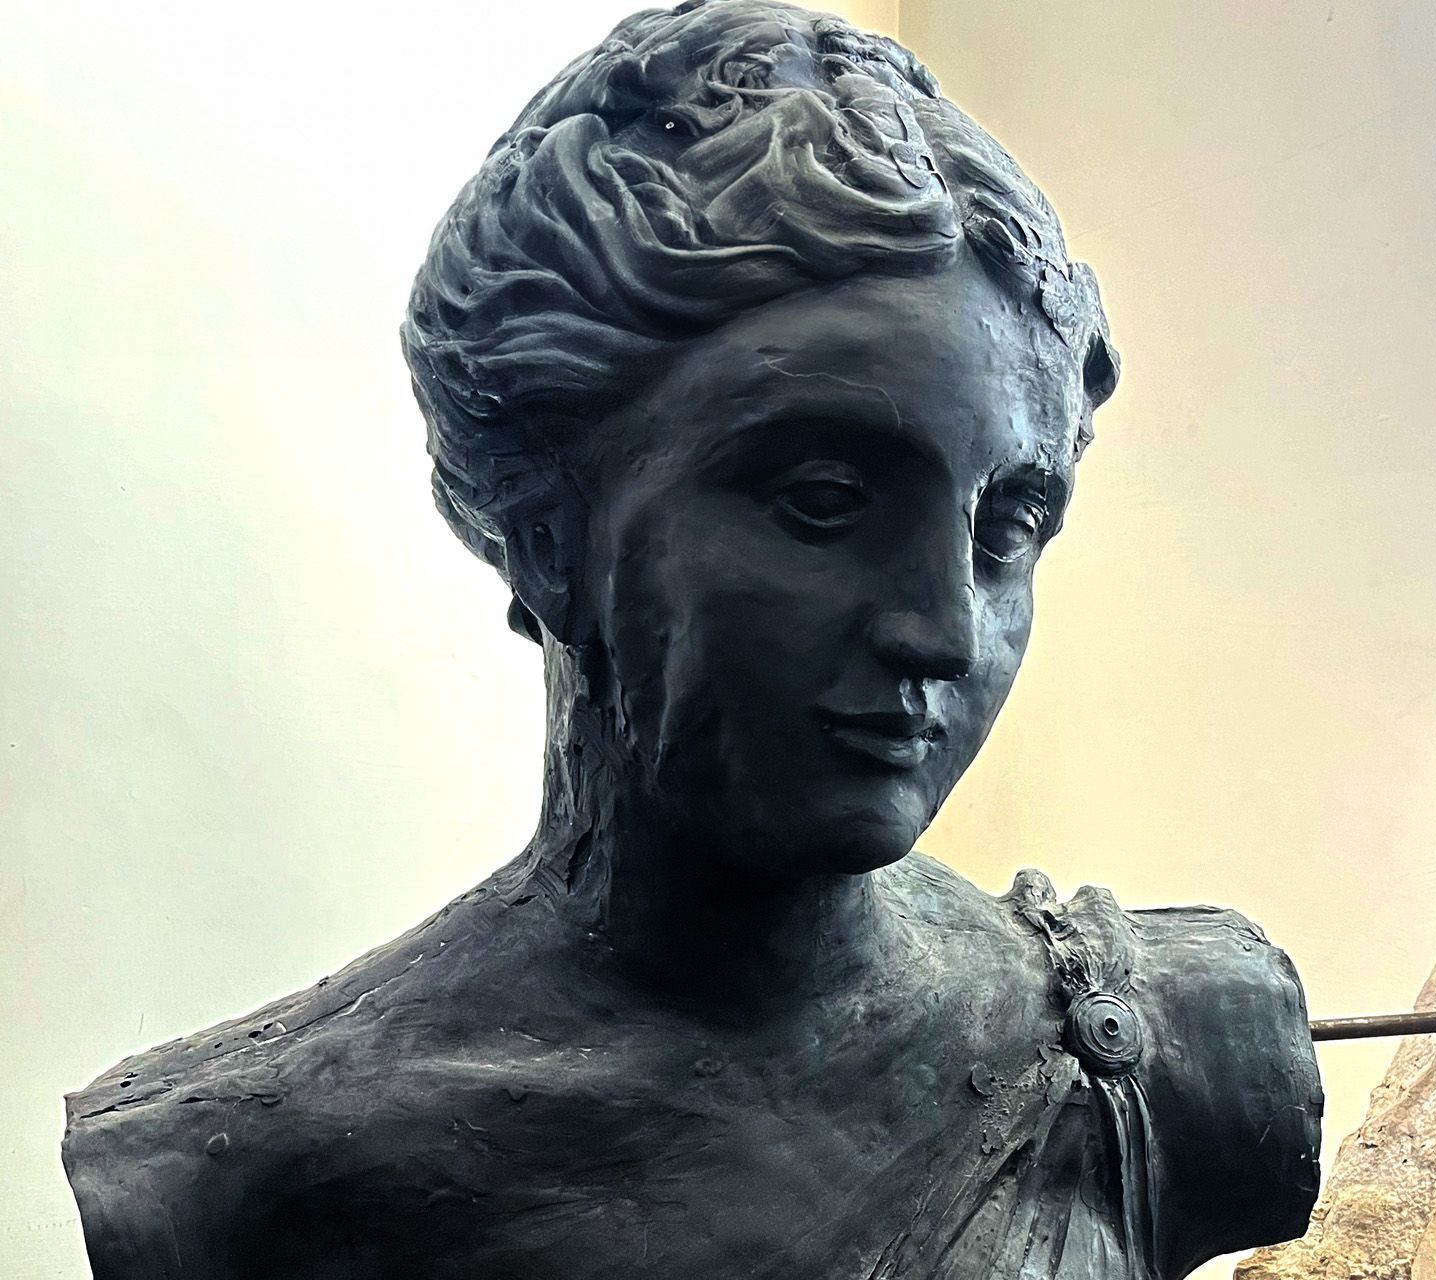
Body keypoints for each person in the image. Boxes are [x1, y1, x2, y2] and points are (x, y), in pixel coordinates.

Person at [62, 4, 1322, 1276]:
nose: (943, 627)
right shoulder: (223, 1179)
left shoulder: (1171, 1043)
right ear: (549, 534)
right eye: (823, 502)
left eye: (1009, 525)